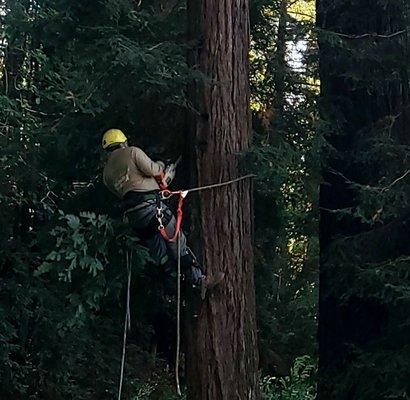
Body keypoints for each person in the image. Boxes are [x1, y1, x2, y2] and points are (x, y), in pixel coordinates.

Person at [101, 128, 222, 295]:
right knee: (178, 242)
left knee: (160, 253)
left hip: (135, 218)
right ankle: (199, 280)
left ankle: (172, 284)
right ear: (123, 142)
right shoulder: (132, 152)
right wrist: (162, 164)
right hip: (152, 209)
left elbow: (125, 190)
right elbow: (154, 170)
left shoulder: (106, 173)